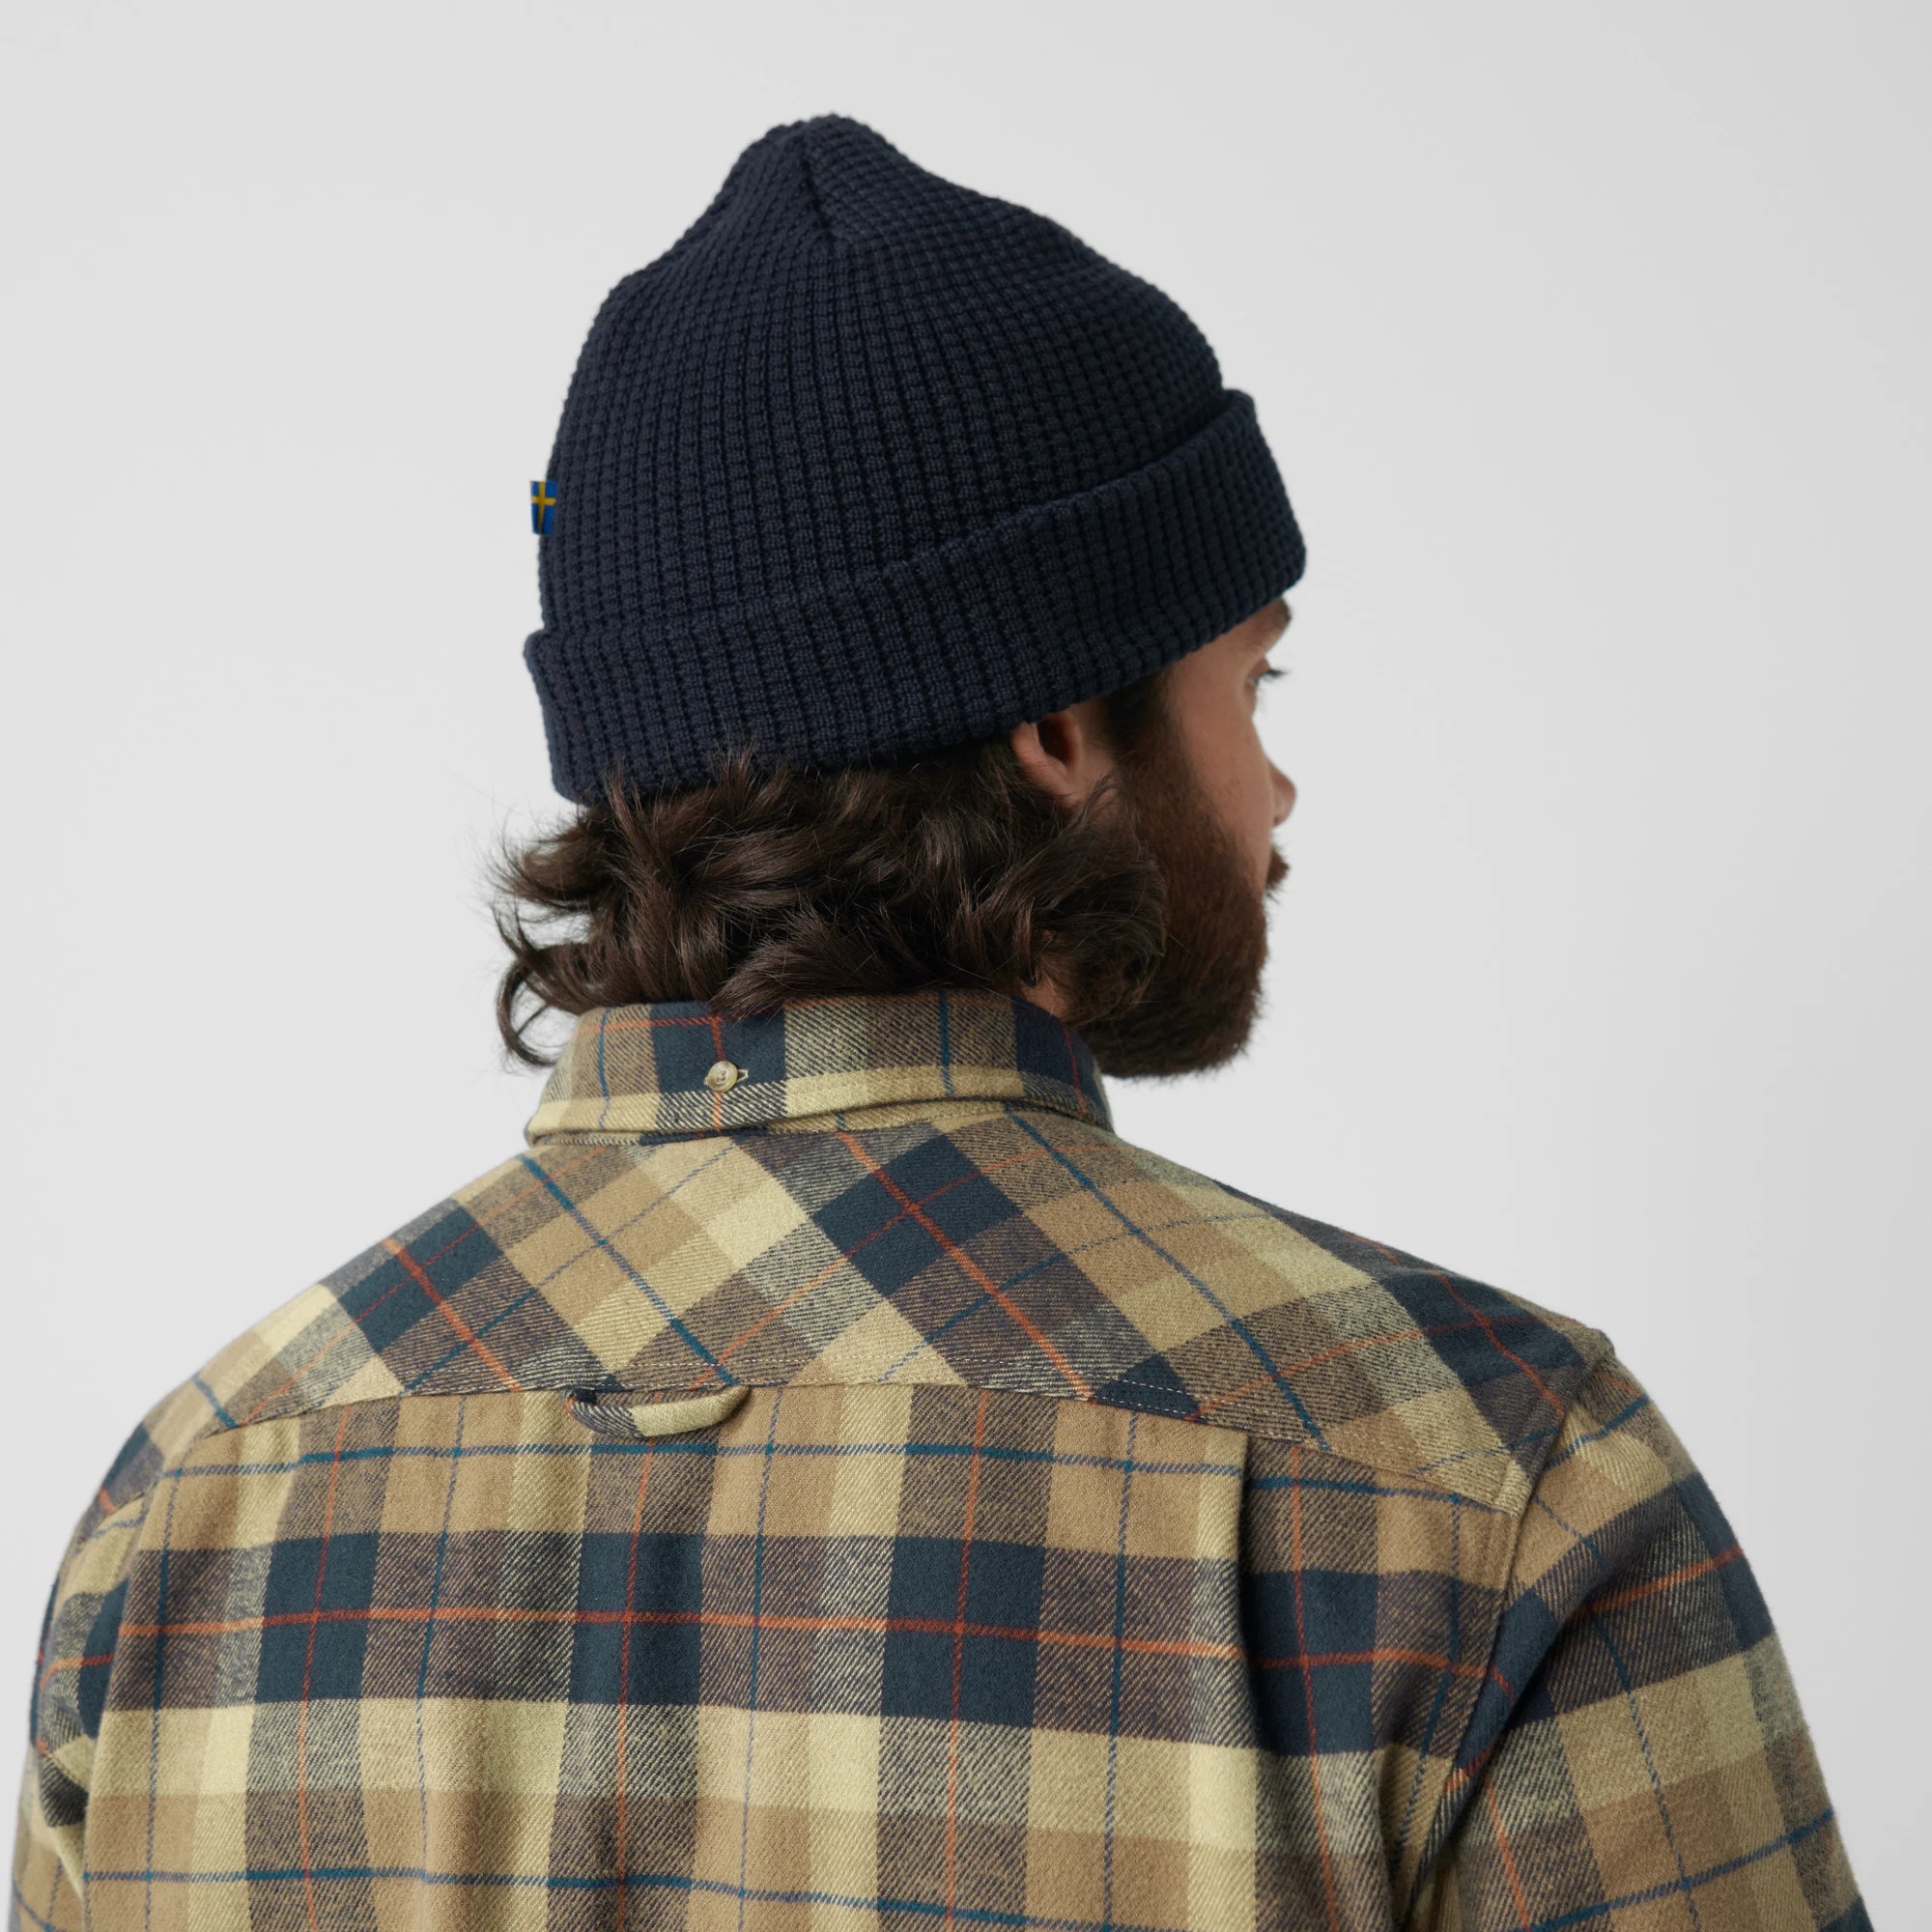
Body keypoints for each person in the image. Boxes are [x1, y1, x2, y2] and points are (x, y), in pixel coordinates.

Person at [12, 116, 1864, 1932]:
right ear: (1057, 730)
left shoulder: (189, 1510)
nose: (1278, 787)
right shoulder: (1491, 1484)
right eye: (1254, 680)